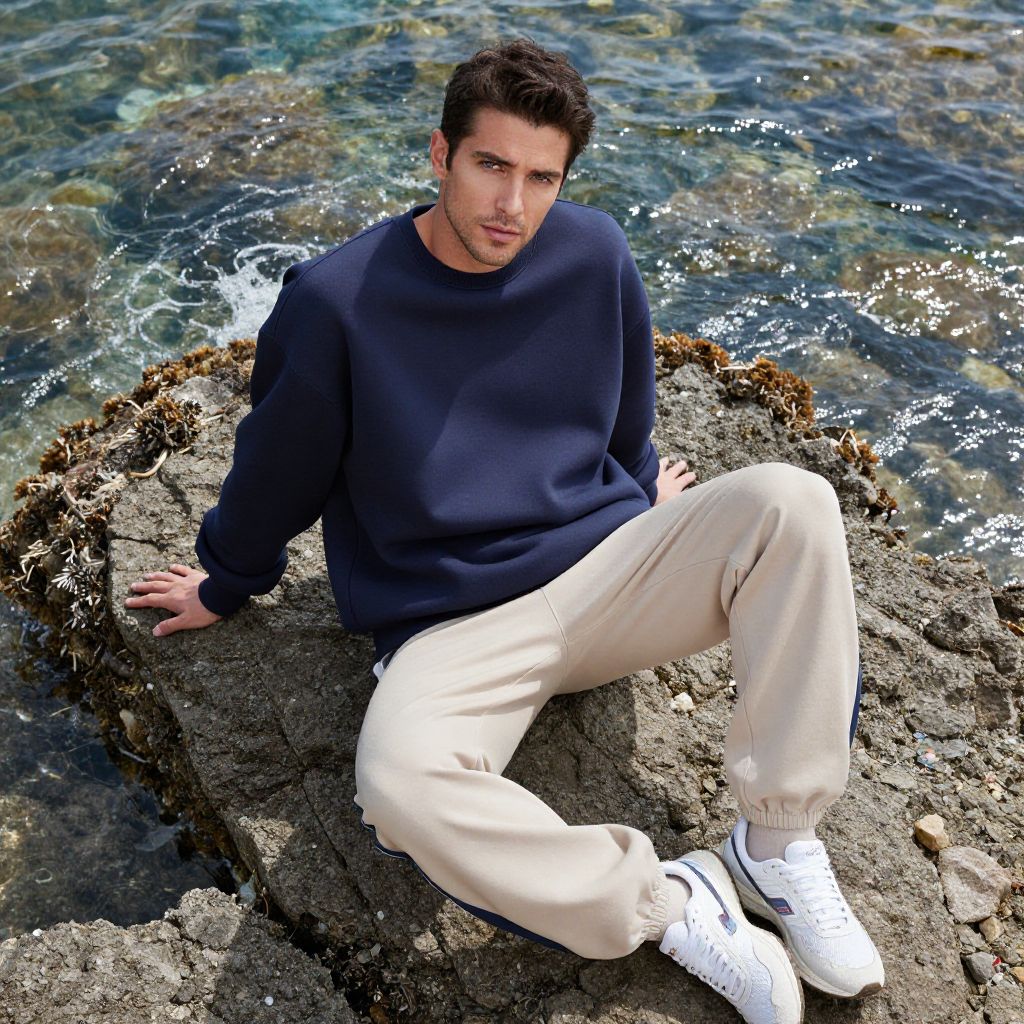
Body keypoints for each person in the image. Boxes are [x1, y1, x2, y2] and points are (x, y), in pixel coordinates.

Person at [123, 36, 884, 1024]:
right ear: (440, 156)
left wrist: (644, 493)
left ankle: (773, 845)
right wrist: (224, 579)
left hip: (608, 577)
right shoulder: (335, 304)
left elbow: (623, 415)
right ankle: (666, 901)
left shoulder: (594, 252)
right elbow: (280, 463)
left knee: (794, 502)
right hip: (453, 628)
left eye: (540, 178)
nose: (510, 206)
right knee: (396, 786)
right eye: (490, 166)